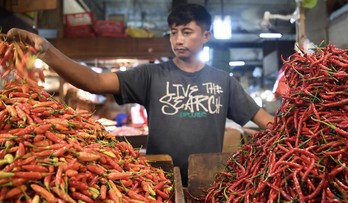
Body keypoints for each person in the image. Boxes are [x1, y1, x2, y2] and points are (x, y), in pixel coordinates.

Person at [7, 3, 274, 186]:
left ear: (206, 35)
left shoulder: (223, 82)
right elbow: (96, 82)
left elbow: (266, 122)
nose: (178, 39)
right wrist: (47, 51)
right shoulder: (151, 75)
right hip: (157, 181)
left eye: (187, 32)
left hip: (206, 183)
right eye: (173, 32)